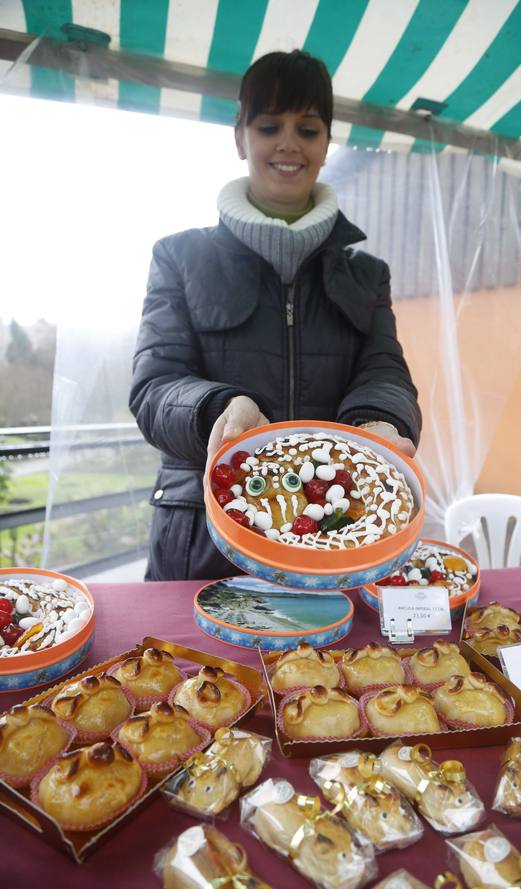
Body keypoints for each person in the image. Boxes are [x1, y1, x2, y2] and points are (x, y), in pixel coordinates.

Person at [130, 49, 422, 581]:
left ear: (327, 143)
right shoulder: (179, 256)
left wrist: (378, 423)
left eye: (308, 129)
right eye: (270, 126)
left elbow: (384, 369)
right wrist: (220, 408)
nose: (289, 143)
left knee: (327, 665)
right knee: (199, 666)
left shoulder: (367, 274)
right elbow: (155, 387)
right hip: (204, 535)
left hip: (333, 532)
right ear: (240, 137)